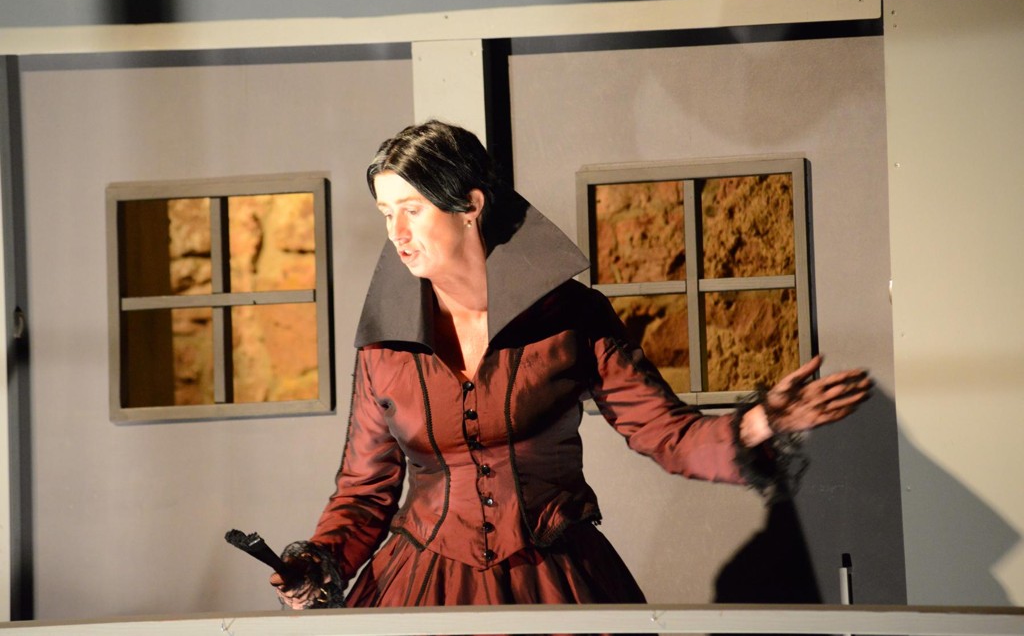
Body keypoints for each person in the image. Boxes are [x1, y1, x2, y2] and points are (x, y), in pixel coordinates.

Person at [270, 120, 871, 609]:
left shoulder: (571, 318)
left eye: (413, 209)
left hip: (553, 580)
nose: (397, 233)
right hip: (423, 586)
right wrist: (316, 562)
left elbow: (663, 432)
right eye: (385, 213)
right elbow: (364, 490)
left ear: (469, 206)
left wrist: (757, 424)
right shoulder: (386, 347)